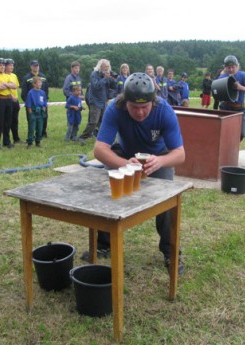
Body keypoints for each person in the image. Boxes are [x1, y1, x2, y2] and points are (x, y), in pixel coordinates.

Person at [87, 72, 186, 275]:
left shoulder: (165, 110)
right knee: (111, 190)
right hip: (126, 155)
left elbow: (180, 154)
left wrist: (160, 161)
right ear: (125, 102)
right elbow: (99, 149)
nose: (140, 112)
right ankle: (104, 244)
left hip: (157, 158)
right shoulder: (115, 107)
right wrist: (124, 164)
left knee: (166, 201)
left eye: (144, 107)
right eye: (134, 107)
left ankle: (171, 252)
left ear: (153, 101)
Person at [217, 55, 245, 141]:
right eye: (228, 67)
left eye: (232, 67)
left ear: (237, 66)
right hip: (225, 107)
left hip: (239, 108)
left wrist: (240, 87)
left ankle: (233, 149)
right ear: (225, 67)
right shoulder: (222, 77)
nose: (230, 69)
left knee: (241, 134)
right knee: (222, 133)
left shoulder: (243, 75)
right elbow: (217, 92)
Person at [78, 59, 115, 145]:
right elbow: (96, 86)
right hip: (95, 101)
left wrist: (112, 79)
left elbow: (113, 86)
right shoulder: (94, 74)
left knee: (103, 121)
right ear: (100, 66)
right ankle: (82, 137)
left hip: (103, 102)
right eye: (105, 66)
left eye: (107, 66)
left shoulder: (106, 75)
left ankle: (102, 139)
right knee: (93, 122)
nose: (106, 68)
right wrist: (105, 79)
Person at [0, 57, 16, 149]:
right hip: (1, 99)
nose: (2, 67)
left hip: (8, 99)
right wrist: (7, 85)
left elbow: (14, 86)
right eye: (0, 65)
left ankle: (6, 141)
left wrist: (4, 84)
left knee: (7, 122)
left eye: (3, 65)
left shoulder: (7, 76)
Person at [21, 60, 50, 137]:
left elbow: (46, 89)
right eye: (34, 66)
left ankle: (42, 133)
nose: (36, 67)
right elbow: (24, 92)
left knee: (43, 118)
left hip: (42, 103)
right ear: (31, 67)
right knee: (31, 119)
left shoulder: (43, 77)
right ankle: (32, 134)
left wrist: (45, 101)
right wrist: (27, 103)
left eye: (37, 65)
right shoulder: (26, 78)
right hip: (31, 104)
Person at [25, 76, 47, 148]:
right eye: (38, 83)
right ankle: (30, 143)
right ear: (34, 84)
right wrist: (30, 113)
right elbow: (28, 105)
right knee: (31, 128)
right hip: (33, 112)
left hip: (40, 112)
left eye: (41, 82)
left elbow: (44, 102)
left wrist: (43, 109)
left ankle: (38, 141)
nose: (40, 84)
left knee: (40, 128)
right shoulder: (30, 93)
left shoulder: (43, 92)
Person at [5, 58, 21, 143]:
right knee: (8, 121)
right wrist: (11, 96)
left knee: (15, 120)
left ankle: (16, 138)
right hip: (8, 100)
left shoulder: (14, 76)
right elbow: (4, 89)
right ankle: (7, 139)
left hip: (15, 100)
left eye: (12, 65)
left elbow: (16, 86)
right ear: (6, 66)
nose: (12, 67)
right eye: (10, 65)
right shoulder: (3, 76)